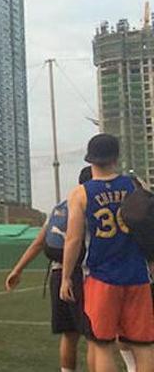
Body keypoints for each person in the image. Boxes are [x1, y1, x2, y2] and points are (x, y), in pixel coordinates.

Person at [61, 134, 154, 372]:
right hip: (137, 276)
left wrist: (65, 277)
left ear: (90, 159)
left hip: (102, 278)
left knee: (102, 344)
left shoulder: (81, 193)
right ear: (116, 157)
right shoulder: (135, 185)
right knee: (143, 346)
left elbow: (73, 239)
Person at [6, 167, 92, 372]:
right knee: (95, 338)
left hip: (57, 273)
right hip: (83, 274)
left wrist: (17, 270)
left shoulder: (59, 208)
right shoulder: (91, 205)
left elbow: (39, 242)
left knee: (69, 335)